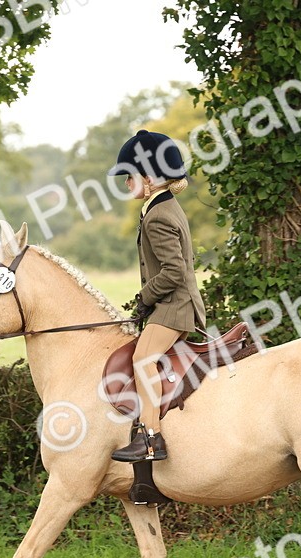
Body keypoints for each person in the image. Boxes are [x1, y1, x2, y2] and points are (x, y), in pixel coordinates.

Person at [107, 130, 206, 463]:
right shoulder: (164, 206)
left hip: (174, 308)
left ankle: (151, 438)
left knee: (143, 360)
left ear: (149, 177)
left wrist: (145, 298)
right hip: (172, 305)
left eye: (130, 176)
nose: (126, 183)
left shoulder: (158, 216)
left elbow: (174, 271)